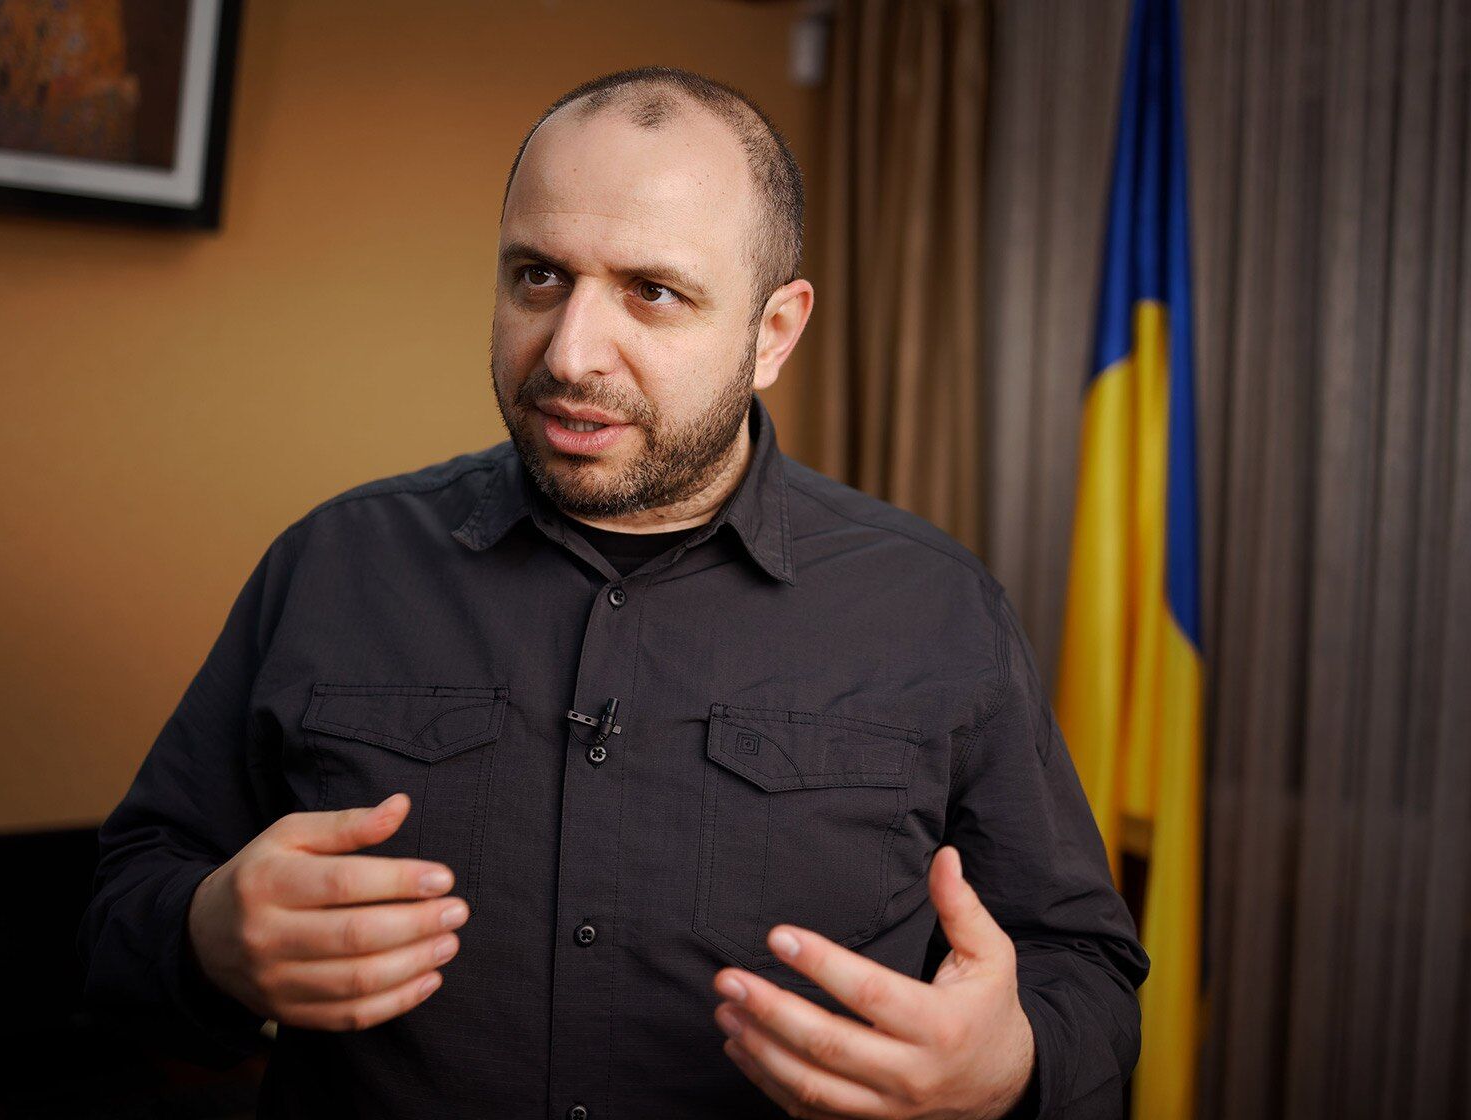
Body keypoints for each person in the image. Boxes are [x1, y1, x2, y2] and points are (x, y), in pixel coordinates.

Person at [78, 66, 1148, 1120]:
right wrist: (204, 937)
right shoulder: (332, 564)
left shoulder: (936, 607)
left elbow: (1085, 964)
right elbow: (125, 900)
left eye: (653, 291)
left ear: (773, 332)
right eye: (538, 276)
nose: (573, 352)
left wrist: (1006, 1067)